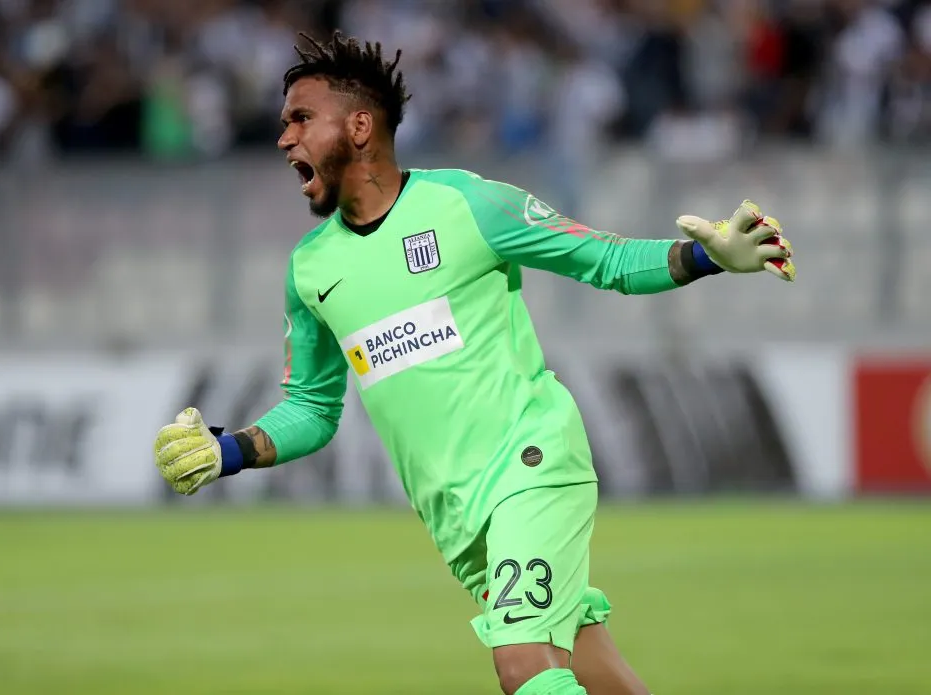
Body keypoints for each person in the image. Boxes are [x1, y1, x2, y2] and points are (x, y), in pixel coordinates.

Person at [153, 32, 796, 695]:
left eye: (300, 118)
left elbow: (604, 258)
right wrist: (228, 449)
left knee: (522, 662)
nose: (284, 137)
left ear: (360, 125)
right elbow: (314, 408)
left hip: (530, 462)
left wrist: (705, 256)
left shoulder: (468, 204)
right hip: (455, 514)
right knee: (589, 667)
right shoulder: (310, 269)